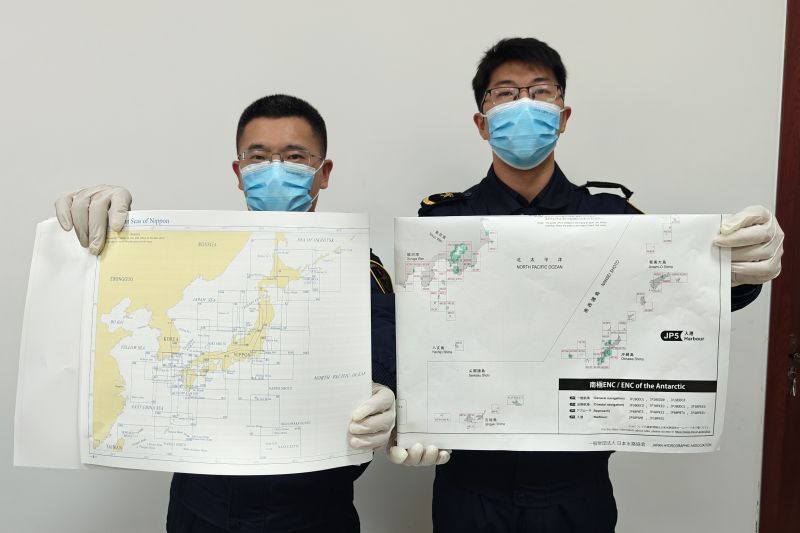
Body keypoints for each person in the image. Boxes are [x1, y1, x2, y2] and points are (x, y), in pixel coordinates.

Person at [401, 37, 784, 532]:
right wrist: (404, 407)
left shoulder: (614, 219)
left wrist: (739, 270)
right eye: (506, 93)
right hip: (470, 488)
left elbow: (678, 295)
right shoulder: (442, 225)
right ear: (482, 122)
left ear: (562, 116)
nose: (524, 104)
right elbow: (414, 330)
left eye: (541, 92)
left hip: (577, 490)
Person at [54, 94, 398, 533]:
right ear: (239, 173)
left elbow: (386, 338)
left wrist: (386, 389)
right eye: (259, 157)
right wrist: (113, 235)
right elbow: (130, 300)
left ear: (324, 172)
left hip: (313, 512)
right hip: (200, 509)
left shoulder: (355, 266)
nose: (275, 170)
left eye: (295, 157)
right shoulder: (195, 259)